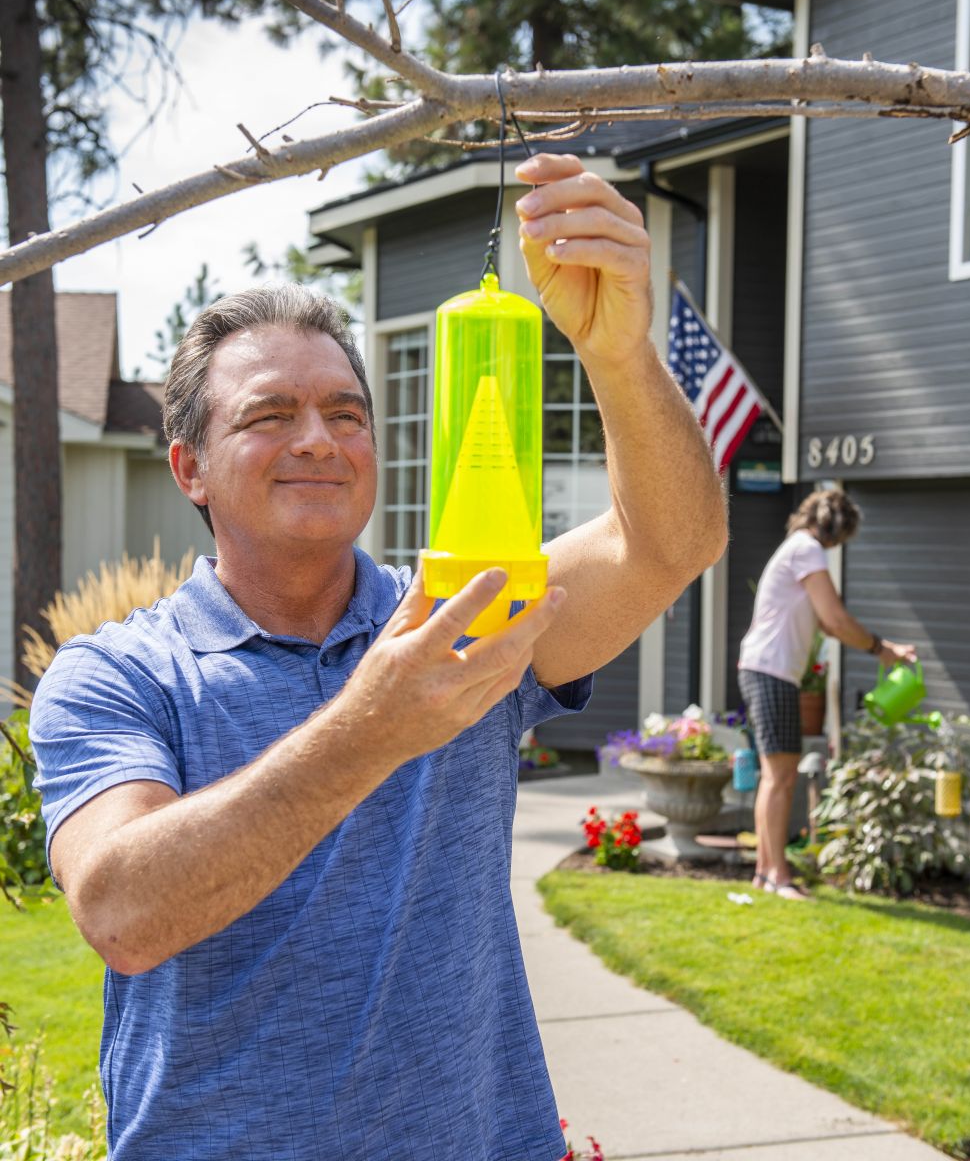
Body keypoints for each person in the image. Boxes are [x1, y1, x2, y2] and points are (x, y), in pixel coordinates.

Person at [30, 153, 728, 1161]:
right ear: (189, 468)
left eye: (345, 414)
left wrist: (618, 353)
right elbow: (124, 912)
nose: (318, 438)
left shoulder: (469, 614)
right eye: (269, 416)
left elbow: (671, 542)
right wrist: (373, 727)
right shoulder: (116, 675)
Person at [737, 489, 916, 901]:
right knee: (781, 778)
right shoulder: (807, 550)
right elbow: (834, 620)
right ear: (837, 529)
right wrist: (882, 650)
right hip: (772, 670)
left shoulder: (796, 548)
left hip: (765, 668)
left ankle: (766, 872)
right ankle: (778, 876)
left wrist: (880, 646)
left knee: (774, 777)